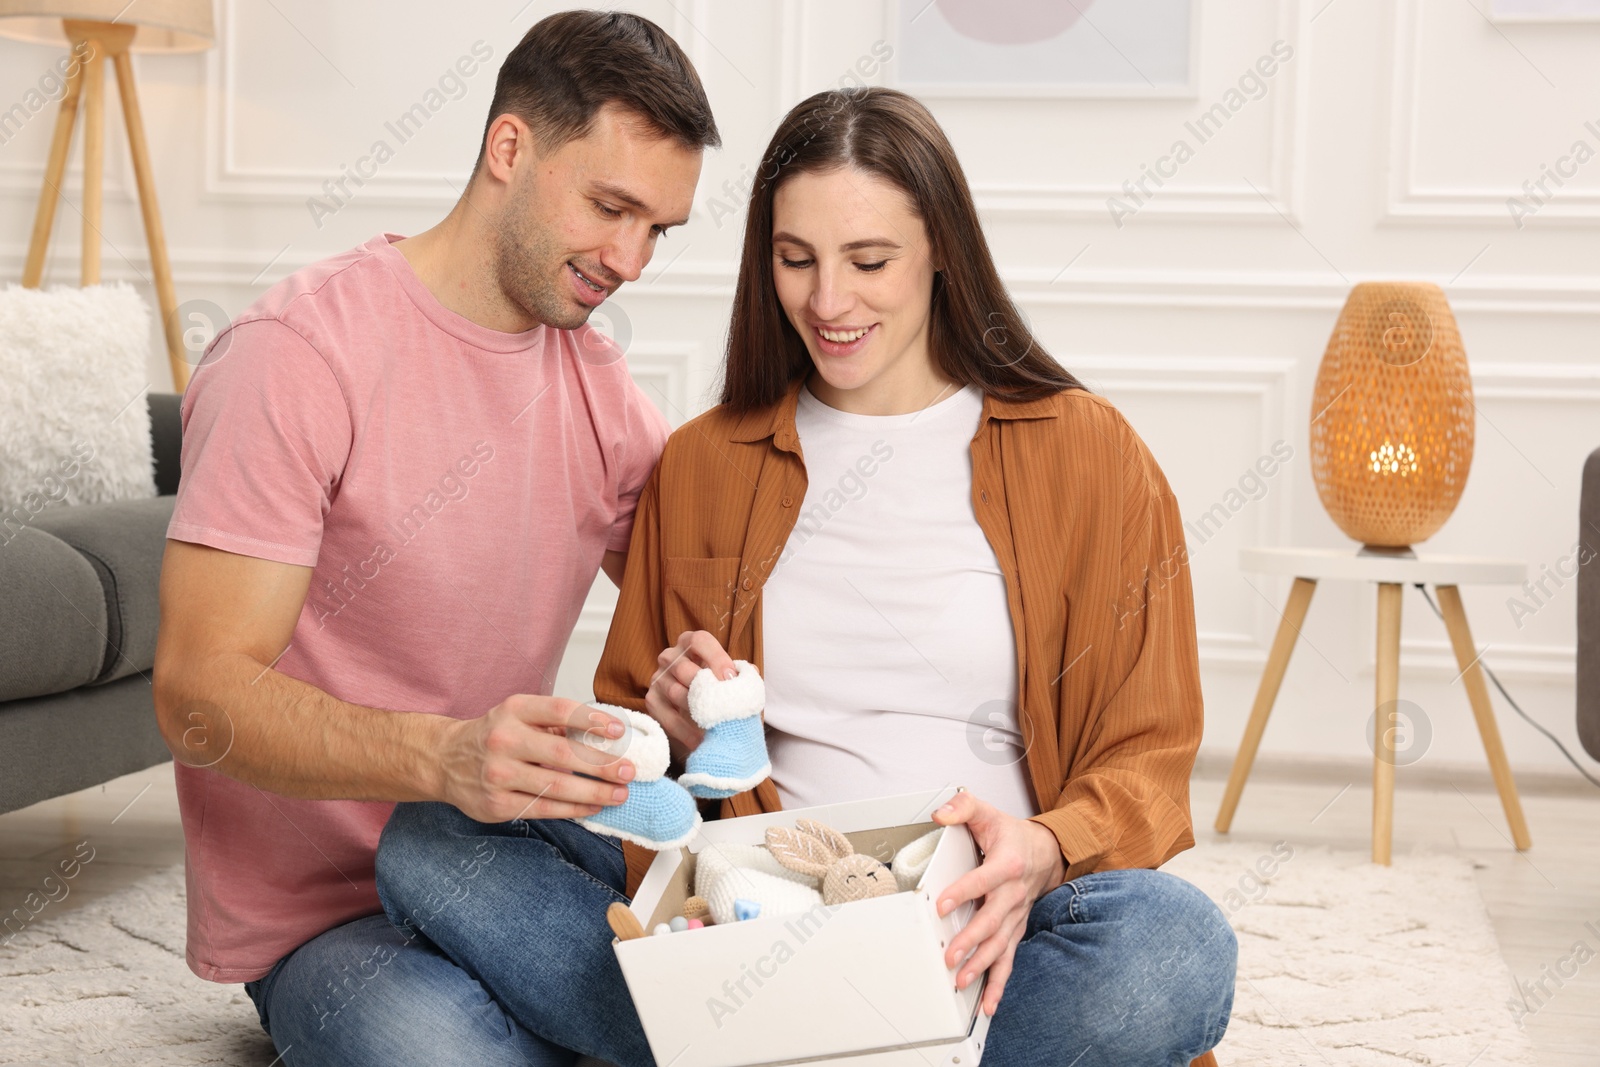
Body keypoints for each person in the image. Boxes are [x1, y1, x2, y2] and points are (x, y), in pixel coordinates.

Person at [377, 87, 1237, 1066]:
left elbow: (1148, 755)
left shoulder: (1086, 451)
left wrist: (1041, 846)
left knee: (1173, 942)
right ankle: (862, 1044)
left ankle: (767, 1046)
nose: (827, 301)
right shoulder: (706, 459)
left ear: (943, 251)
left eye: (868, 260)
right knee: (432, 838)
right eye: (796, 261)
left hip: (988, 915)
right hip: (765, 908)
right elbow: (639, 764)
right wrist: (672, 724)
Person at [151, 11, 718, 1066]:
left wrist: (697, 676)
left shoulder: (596, 388)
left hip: (502, 860)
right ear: (510, 148)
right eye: (610, 207)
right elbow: (196, 697)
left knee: (724, 941)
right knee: (432, 1046)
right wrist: (445, 756)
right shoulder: (298, 354)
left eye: (659, 229)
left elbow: (702, 601)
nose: (631, 259)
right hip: (328, 916)